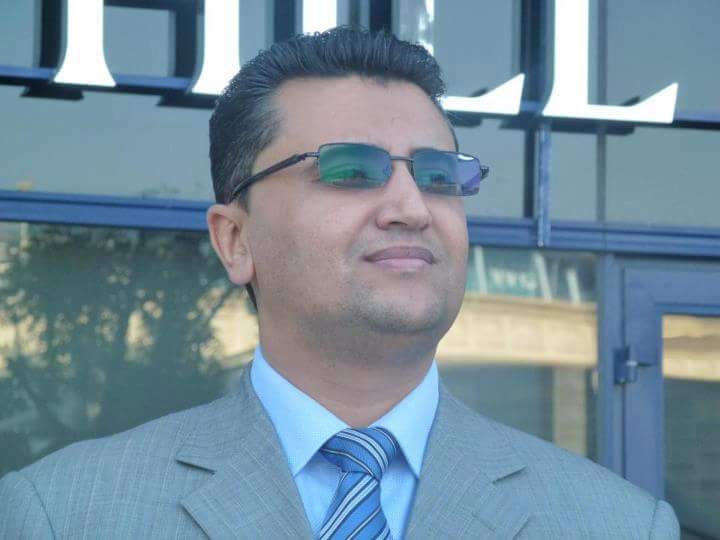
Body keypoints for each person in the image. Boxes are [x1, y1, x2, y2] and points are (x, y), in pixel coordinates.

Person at [0, 26, 678, 539]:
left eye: (438, 175)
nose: (411, 207)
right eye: (351, 169)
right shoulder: (63, 513)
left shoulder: (617, 523)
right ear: (235, 240)